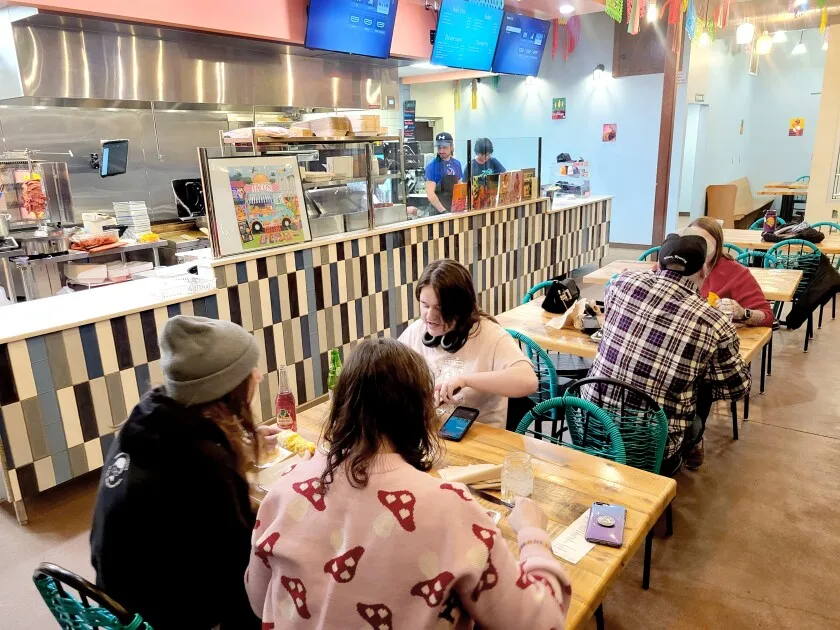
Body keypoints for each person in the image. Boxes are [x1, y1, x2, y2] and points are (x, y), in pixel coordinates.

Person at [246, 338, 571, 629]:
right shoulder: (451, 509)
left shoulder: (284, 488)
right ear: (421, 413)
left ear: (341, 407)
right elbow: (538, 620)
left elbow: (259, 600)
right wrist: (533, 536)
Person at [90, 316, 280, 629]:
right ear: (224, 389)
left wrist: (243, 443)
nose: (257, 376)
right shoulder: (201, 464)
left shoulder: (146, 423)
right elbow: (239, 569)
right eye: (249, 372)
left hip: (117, 598)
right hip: (159, 615)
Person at [583, 234, 751, 476]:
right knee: (700, 393)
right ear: (704, 270)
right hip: (652, 447)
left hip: (589, 425)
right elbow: (736, 389)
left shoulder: (619, 284)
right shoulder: (714, 322)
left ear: (658, 264)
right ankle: (682, 458)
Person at [398, 259, 537, 429]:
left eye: (440, 308)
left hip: (480, 441)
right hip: (432, 435)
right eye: (425, 305)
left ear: (461, 307)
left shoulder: (489, 335)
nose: (430, 316)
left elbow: (528, 381)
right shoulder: (416, 332)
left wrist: (465, 380)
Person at [687, 216, 774, 327]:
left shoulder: (736, 273)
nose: (698, 248)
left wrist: (743, 313)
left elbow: (767, 316)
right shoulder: (675, 265)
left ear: (718, 246)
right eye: (693, 242)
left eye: (706, 244)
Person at [424, 131, 463, 214]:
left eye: (444, 147)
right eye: (439, 147)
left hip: (454, 209)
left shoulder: (457, 164)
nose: (441, 151)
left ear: (451, 147)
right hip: (438, 212)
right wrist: (444, 212)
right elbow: (430, 194)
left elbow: (459, 186)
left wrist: (462, 205)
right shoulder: (432, 166)